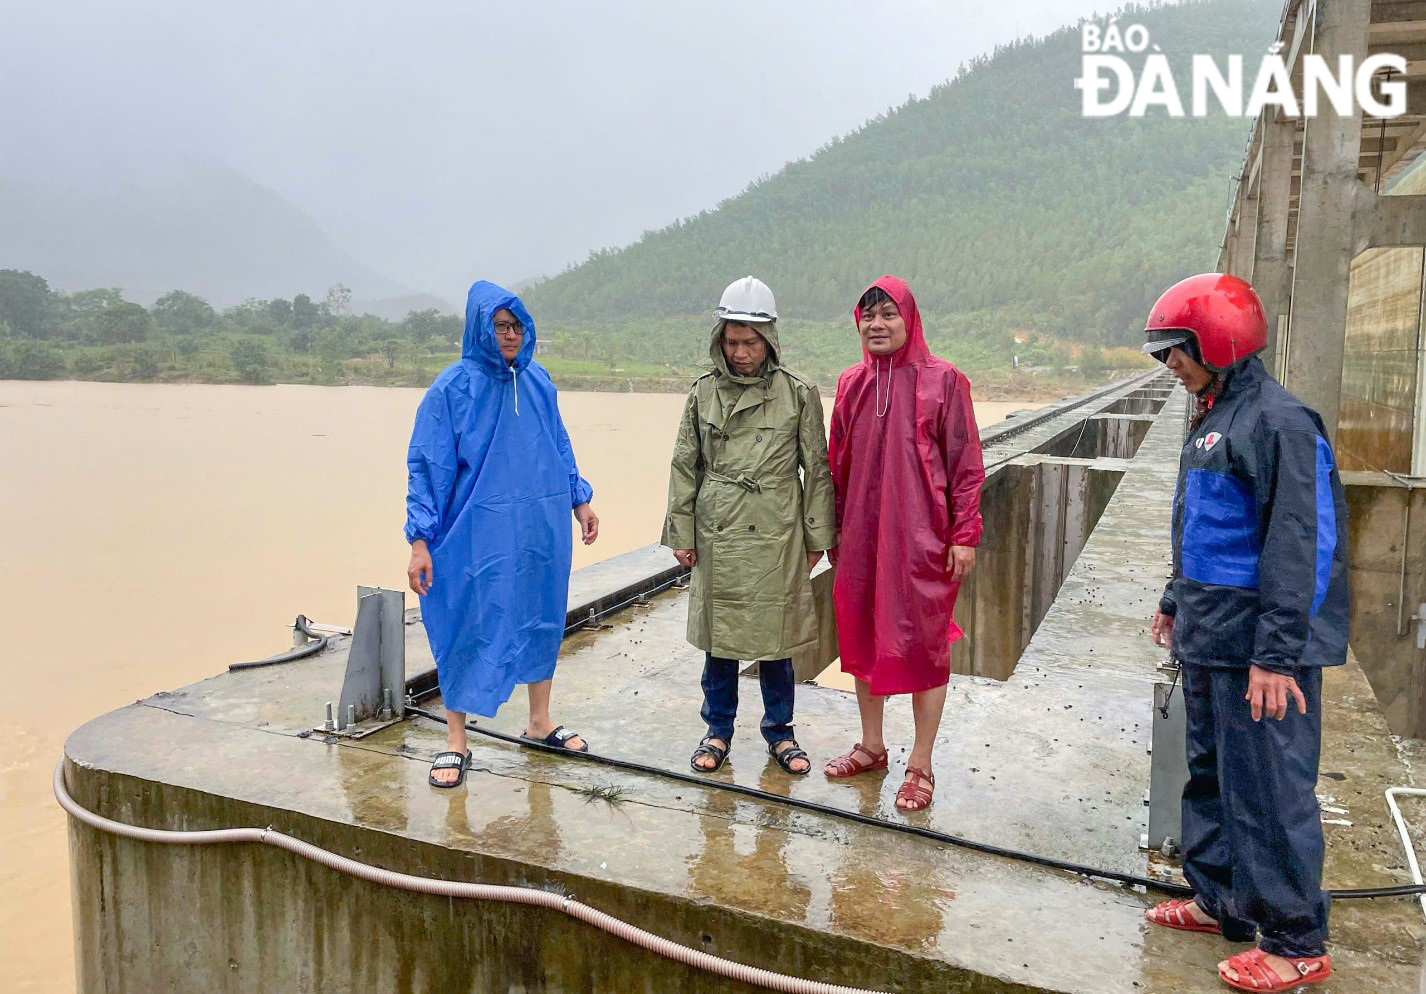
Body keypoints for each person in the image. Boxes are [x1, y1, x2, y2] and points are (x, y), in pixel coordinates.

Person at [1141, 273, 1348, 992]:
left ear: (1220, 341)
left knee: (1268, 788)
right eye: (1165, 353)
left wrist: (1276, 655)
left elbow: (1299, 543)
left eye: (1178, 351)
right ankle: (1219, 897)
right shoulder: (1212, 416)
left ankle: (1295, 939)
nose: (1171, 366)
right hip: (1210, 634)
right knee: (1213, 774)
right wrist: (1174, 598)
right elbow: (1201, 528)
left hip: (1259, 646)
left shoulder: (1280, 422)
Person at [406, 280, 600, 788]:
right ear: (479, 329)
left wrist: (580, 500)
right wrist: (420, 540)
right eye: (499, 326)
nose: (509, 335)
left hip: (539, 524)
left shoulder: (538, 383)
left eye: (516, 326)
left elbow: (559, 443)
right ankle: (455, 740)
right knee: (466, 618)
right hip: (473, 532)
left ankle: (539, 722)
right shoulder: (451, 390)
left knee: (540, 614)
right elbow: (427, 468)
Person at [663, 276, 836, 776]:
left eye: (750, 342)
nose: (740, 352)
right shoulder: (702, 394)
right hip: (719, 526)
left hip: (776, 527)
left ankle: (780, 733)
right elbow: (683, 465)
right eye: (732, 341)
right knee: (722, 640)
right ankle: (717, 729)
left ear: (770, 340)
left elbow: (816, 468)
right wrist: (682, 532)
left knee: (774, 639)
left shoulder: (798, 394)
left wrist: (815, 537)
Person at [823, 276, 984, 812]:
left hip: (924, 541)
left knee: (924, 645)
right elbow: (835, 465)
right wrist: (835, 531)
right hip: (862, 540)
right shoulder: (851, 383)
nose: (877, 325)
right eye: (868, 316)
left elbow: (965, 464)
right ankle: (872, 746)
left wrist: (964, 534)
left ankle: (921, 763)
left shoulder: (944, 381)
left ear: (909, 319)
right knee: (863, 637)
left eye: (888, 314)